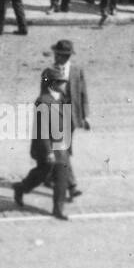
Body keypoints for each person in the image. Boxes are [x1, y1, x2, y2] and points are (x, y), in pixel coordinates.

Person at [12, 71, 72, 221]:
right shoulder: (43, 101)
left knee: (61, 178)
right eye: (60, 82)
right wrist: (48, 151)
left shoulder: (61, 99)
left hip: (61, 146)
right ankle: (21, 187)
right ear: (53, 83)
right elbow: (42, 129)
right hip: (47, 146)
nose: (64, 84)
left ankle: (58, 209)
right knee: (42, 174)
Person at [39, 39, 89, 202]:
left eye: (63, 55)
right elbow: (44, 95)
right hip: (55, 115)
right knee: (63, 151)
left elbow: (83, 94)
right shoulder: (48, 72)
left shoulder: (77, 70)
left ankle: (49, 176)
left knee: (62, 150)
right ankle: (72, 186)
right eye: (58, 55)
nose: (59, 58)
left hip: (72, 116)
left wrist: (85, 116)